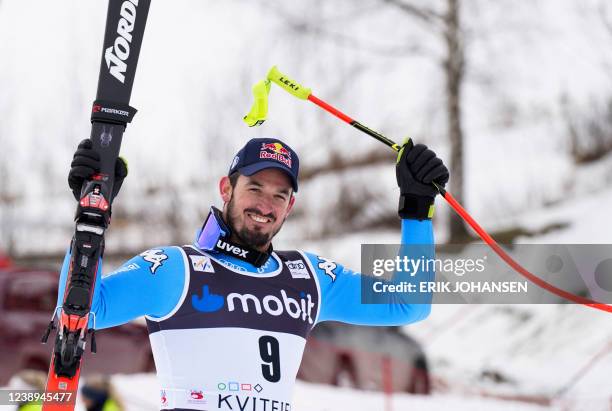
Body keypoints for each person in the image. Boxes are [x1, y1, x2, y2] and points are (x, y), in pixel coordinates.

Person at [58, 136, 449, 411]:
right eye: (255, 188)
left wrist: (417, 211)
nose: (265, 205)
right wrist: (89, 221)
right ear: (226, 187)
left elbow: (408, 303)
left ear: (290, 205)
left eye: (279, 195)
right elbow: (80, 313)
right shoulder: (175, 269)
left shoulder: (307, 277)